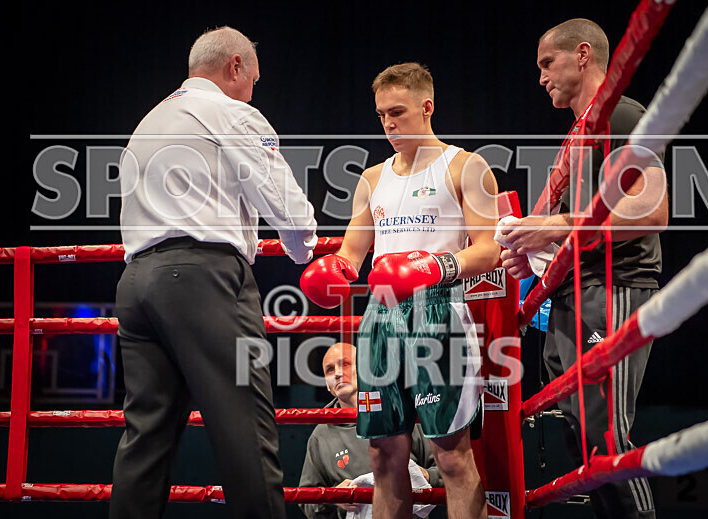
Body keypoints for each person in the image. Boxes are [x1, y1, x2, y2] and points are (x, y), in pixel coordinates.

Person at [112, 26, 318, 519]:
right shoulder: (227, 111)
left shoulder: (148, 121)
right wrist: (305, 249)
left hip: (136, 286)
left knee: (145, 441)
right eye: (253, 79)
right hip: (203, 280)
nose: (253, 91)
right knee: (247, 429)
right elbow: (284, 203)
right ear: (235, 68)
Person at [300, 62, 499, 519]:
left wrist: (432, 266)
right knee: (384, 457)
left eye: (398, 112)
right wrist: (333, 269)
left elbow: (488, 251)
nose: (388, 124)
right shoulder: (372, 179)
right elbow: (352, 253)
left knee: (451, 456)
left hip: (441, 312)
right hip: (381, 317)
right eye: (381, 115)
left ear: (427, 107)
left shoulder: (466, 167)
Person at [499, 19, 667, 519]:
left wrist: (552, 227)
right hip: (573, 295)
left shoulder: (620, 114)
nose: (541, 77)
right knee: (573, 429)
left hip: (614, 285)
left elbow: (653, 211)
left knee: (604, 434)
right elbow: (551, 224)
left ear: (583, 55)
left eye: (547, 63)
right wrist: (525, 244)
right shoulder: (579, 133)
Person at [299, 342, 443, 519]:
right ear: (327, 386)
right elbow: (306, 501)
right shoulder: (320, 435)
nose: (337, 373)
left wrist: (427, 476)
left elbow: (448, 471)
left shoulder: (400, 414)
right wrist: (333, 497)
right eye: (329, 370)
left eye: (345, 364)